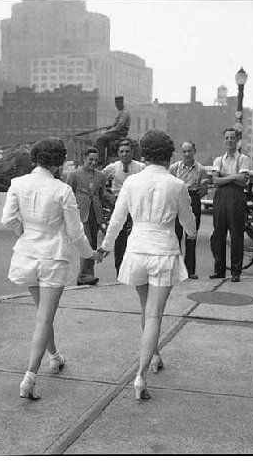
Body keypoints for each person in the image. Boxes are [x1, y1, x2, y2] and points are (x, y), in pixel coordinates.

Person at [95, 130, 196, 400]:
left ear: (144, 154)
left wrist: (105, 246)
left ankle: (154, 355)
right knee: (154, 314)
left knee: (145, 308)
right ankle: (140, 375)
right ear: (169, 153)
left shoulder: (131, 182)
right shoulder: (176, 185)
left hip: (137, 249)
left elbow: (117, 220)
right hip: (163, 251)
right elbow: (188, 220)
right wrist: (192, 232)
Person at [1, 138, 96, 400]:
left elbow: (8, 219)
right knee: (44, 317)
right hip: (53, 258)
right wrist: (91, 255)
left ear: (35, 159)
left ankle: (54, 356)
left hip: (27, 255)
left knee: (43, 314)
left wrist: (25, 233)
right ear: (57, 162)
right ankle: (30, 377)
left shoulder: (17, 184)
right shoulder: (62, 190)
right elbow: (76, 234)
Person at [65, 147, 114, 285]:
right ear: (84, 159)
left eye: (96, 160)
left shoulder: (100, 176)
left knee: (93, 242)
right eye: (90, 160)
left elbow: (101, 194)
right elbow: (68, 194)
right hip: (81, 214)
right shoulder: (74, 175)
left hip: (96, 214)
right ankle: (85, 275)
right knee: (87, 243)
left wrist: (112, 199)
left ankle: (87, 274)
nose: (93, 163)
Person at [209, 128, 253, 282]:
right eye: (227, 138)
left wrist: (224, 175)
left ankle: (236, 272)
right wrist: (235, 176)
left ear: (237, 140)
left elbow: (243, 181)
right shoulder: (218, 160)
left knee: (236, 235)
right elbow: (215, 180)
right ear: (224, 140)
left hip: (237, 197)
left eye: (232, 138)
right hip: (221, 197)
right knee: (219, 233)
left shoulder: (243, 159)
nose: (229, 140)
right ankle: (219, 270)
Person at [102, 139, 146, 273]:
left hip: (135, 204)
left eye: (127, 151)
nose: (124, 154)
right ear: (118, 153)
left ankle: (135, 269)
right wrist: (106, 193)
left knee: (136, 234)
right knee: (119, 236)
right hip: (118, 202)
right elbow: (99, 181)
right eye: (121, 152)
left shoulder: (140, 167)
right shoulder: (112, 167)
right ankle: (120, 269)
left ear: (132, 152)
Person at [169, 141, 208, 279]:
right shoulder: (174, 168)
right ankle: (177, 270)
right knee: (176, 235)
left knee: (191, 236)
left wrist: (193, 198)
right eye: (184, 151)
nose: (187, 154)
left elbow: (204, 190)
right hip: (177, 201)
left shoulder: (201, 169)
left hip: (193, 199)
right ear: (181, 153)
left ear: (194, 151)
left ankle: (190, 270)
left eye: (189, 151)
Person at [95, 96, 131, 161]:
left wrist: (108, 131)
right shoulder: (121, 112)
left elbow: (119, 127)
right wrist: (110, 127)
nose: (117, 105)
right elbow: (115, 124)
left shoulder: (125, 113)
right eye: (116, 103)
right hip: (117, 132)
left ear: (122, 103)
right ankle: (107, 155)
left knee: (100, 139)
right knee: (103, 138)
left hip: (120, 133)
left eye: (118, 103)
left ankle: (101, 161)